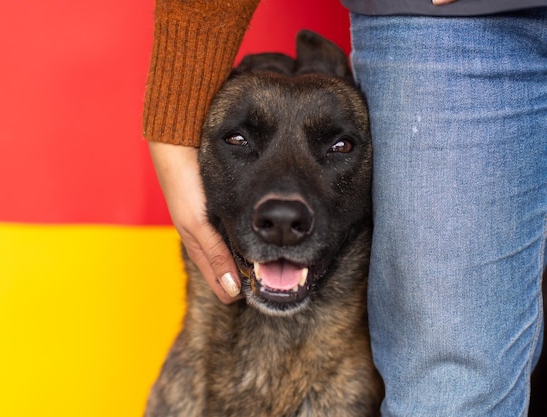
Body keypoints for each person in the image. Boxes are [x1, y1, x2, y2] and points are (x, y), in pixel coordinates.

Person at [142, 1, 547, 415]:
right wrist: (172, 121)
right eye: (239, 141)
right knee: (450, 387)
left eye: (340, 147)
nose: (284, 214)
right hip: (444, 16)